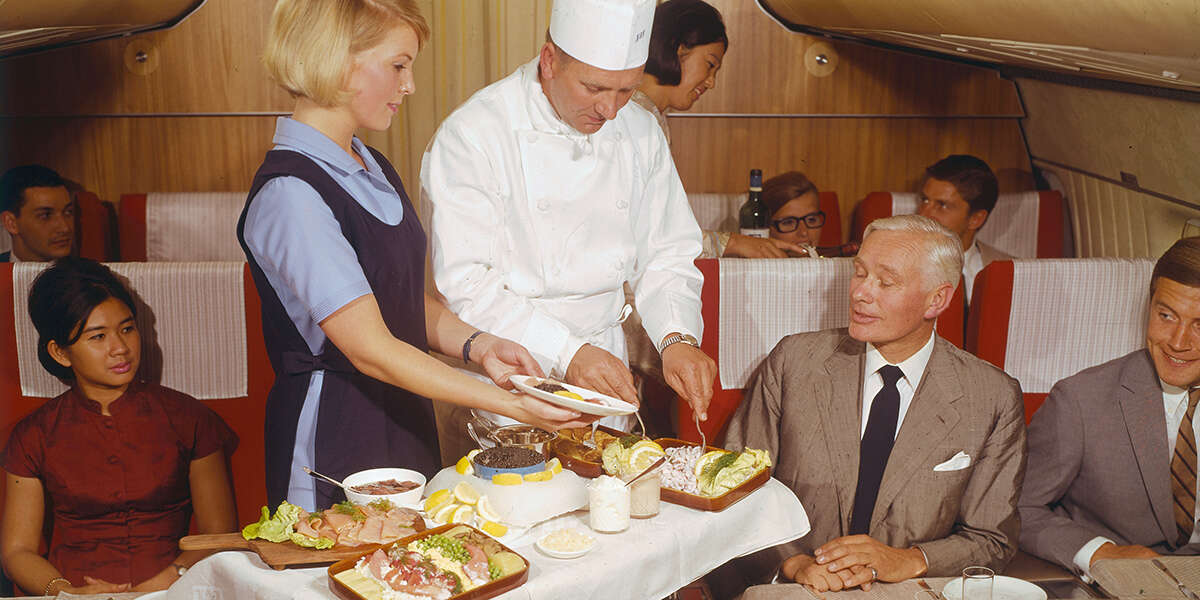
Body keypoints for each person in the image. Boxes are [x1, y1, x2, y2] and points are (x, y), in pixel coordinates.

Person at [241, 0, 592, 510]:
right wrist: (512, 404)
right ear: (339, 61)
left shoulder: (369, 163)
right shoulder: (291, 194)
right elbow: (370, 347)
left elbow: (398, 298)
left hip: (402, 413)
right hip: (334, 430)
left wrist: (479, 345)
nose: (408, 86)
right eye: (398, 65)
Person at [422, 0, 716, 432]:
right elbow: (466, 284)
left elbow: (667, 252)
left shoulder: (640, 131)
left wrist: (677, 338)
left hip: (606, 371)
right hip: (507, 380)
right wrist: (567, 352)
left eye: (626, 90)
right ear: (549, 61)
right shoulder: (475, 134)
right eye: (594, 88)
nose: (610, 110)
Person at [724, 215, 1026, 594]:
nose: (861, 293)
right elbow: (735, 486)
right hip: (797, 587)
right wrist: (794, 562)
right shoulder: (794, 362)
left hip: (908, 589)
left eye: (886, 282)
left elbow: (991, 538)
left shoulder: (992, 397)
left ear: (938, 299)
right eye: (859, 273)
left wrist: (910, 560)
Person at [0, 258, 238, 595]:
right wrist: (64, 592)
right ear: (60, 352)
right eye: (98, 337)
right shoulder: (33, 435)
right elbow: (16, 552)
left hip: (176, 590)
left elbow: (220, 533)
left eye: (127, 328)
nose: (120, 348)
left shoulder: (187, 418)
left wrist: (164, 583)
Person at [1018, 237, 1200, 579]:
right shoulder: (1080, 401)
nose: (1178, 342)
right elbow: (1018, 507)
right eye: (1166, 316)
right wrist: (1102, 552)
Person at [630, 0, 803, 260]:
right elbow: (646, 234)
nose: (711, 82)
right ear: (679, 50)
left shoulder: (649, 116)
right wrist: (730, 243)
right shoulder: (636, 121)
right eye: (710, 65)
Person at [915, 154, 1011, 304]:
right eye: (925, 200)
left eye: (942, 205)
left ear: (976, 219)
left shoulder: (1010, 272)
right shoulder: (890, 264)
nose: (923, 214)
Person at [0, 165, 75, 262]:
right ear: (11, 223)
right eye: (46, 215)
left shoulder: (92, 276)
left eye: (68, 212)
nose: (65, 228)